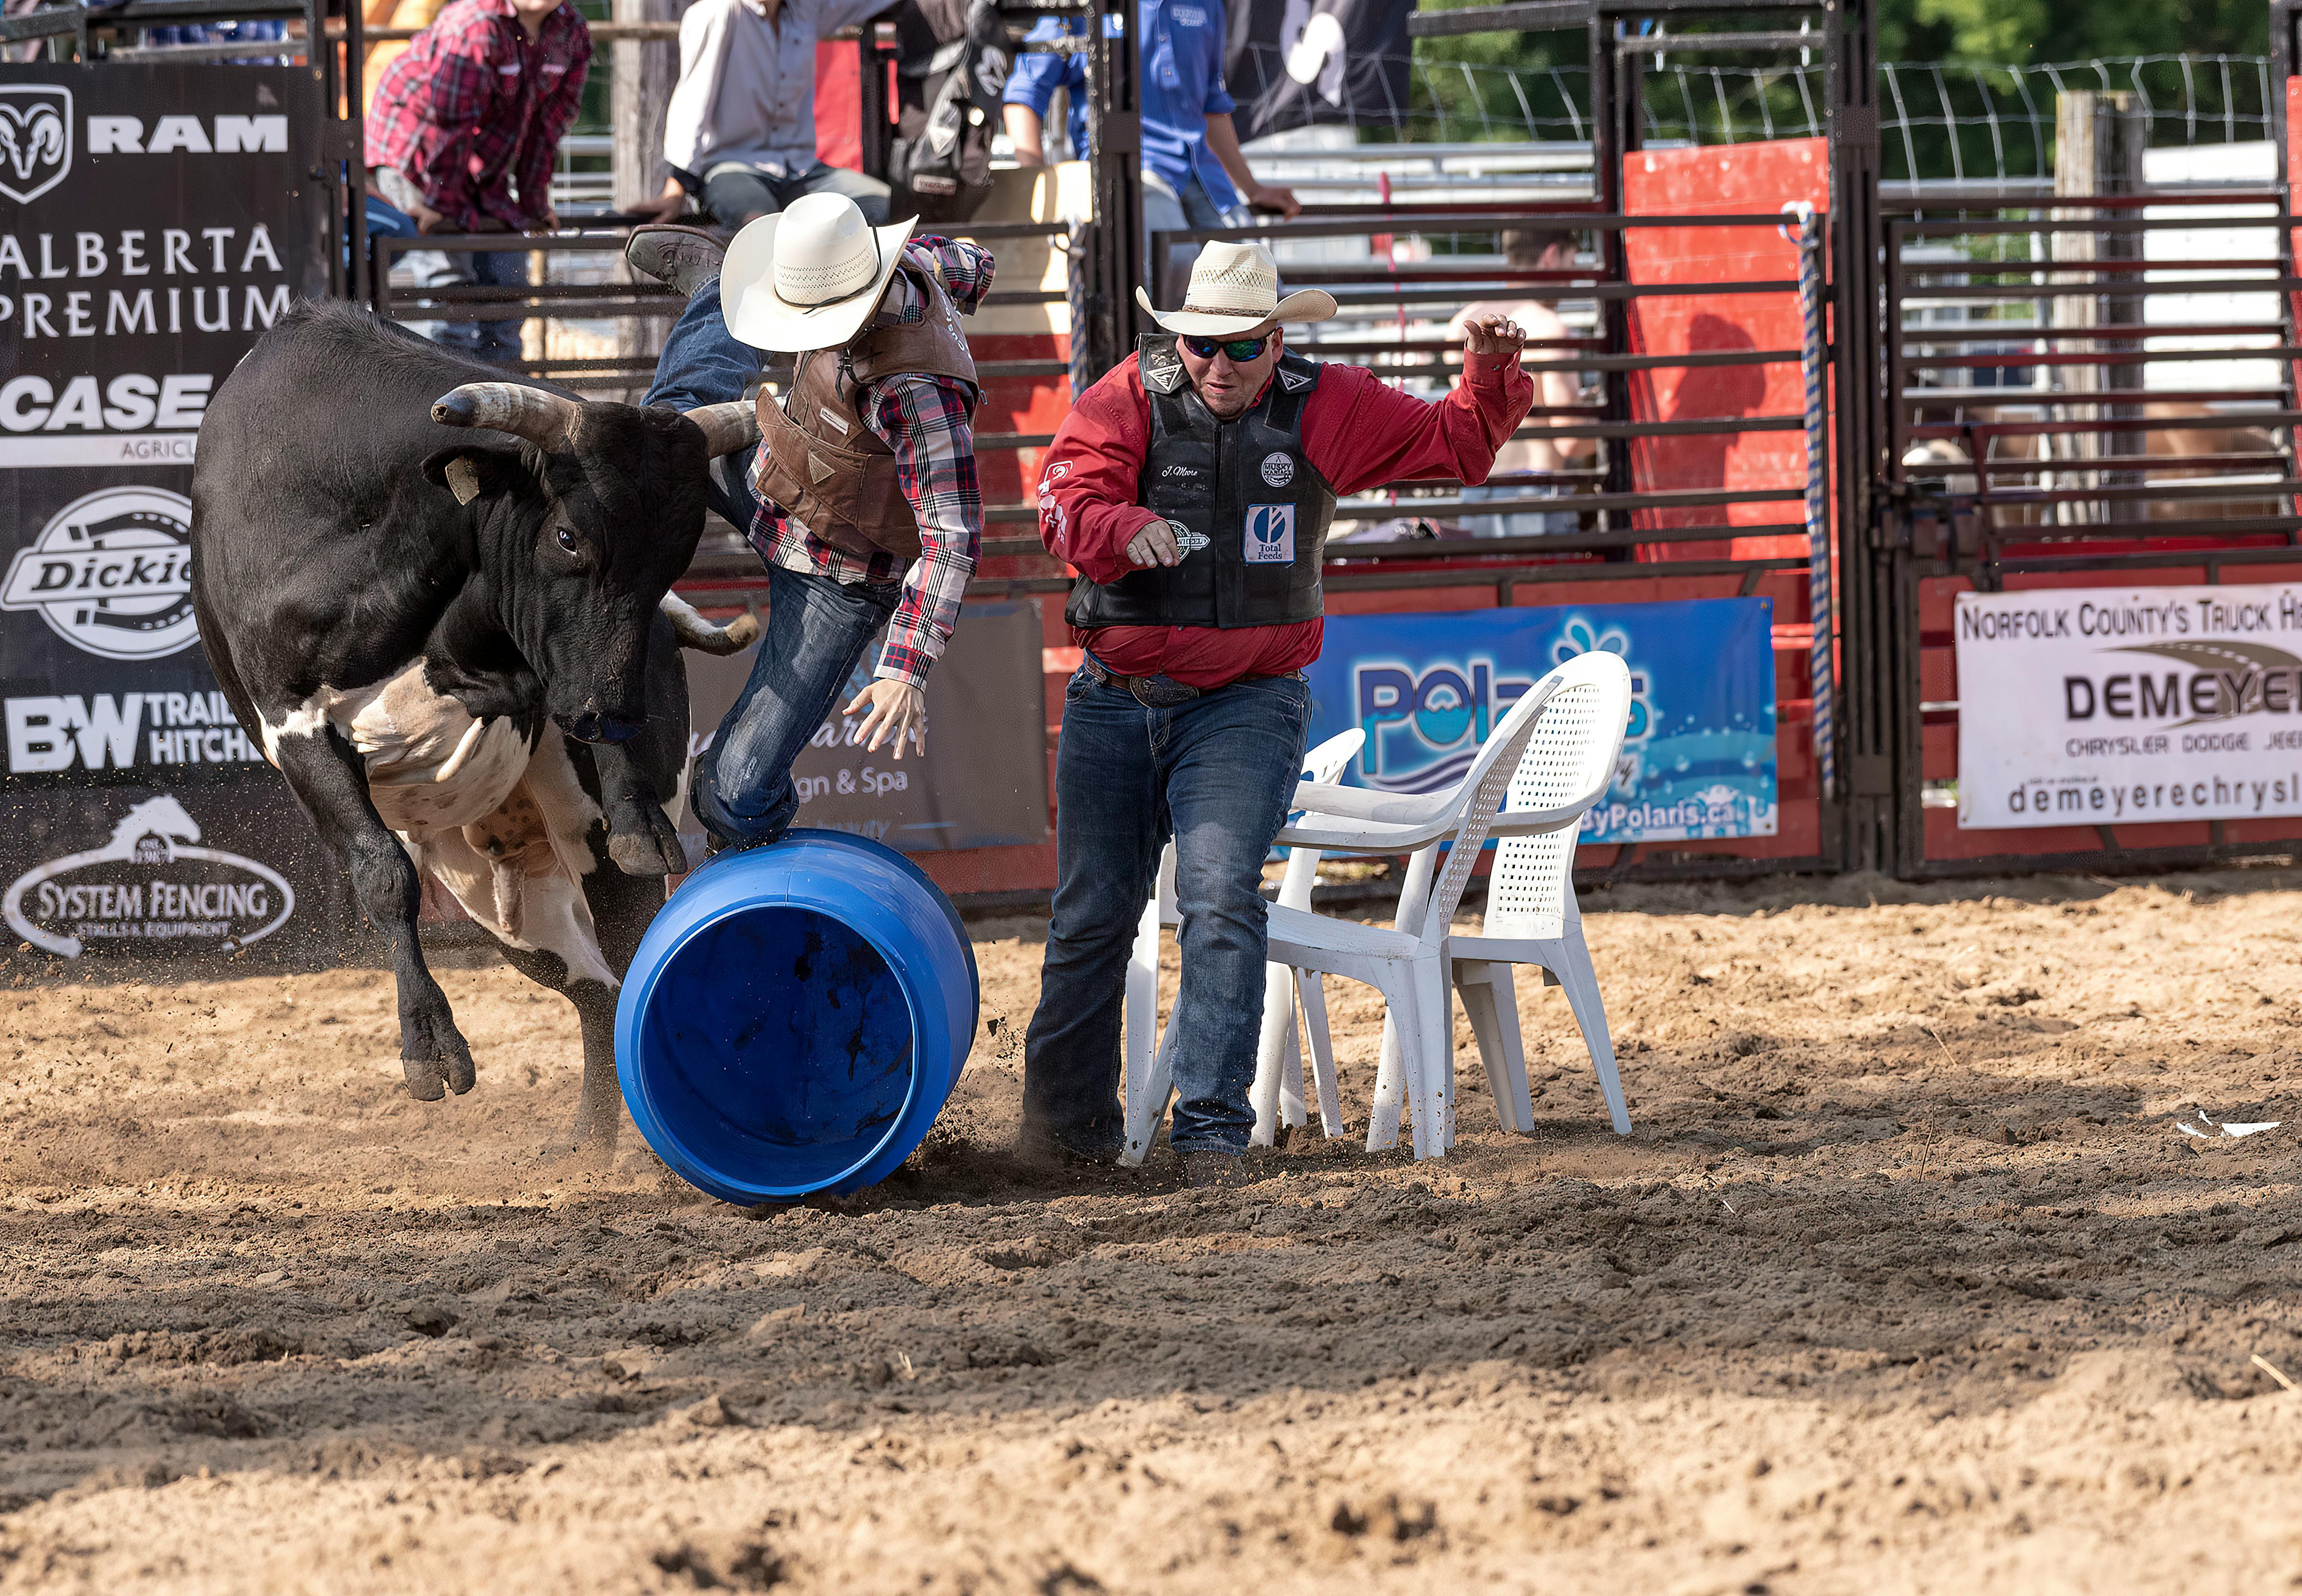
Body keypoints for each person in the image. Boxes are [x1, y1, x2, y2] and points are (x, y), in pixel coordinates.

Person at [1020, 240, 1534, 1185]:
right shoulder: (1127, 396)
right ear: (1180, 337)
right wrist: (1125, 528)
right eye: (1202, 344)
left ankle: (1212, 1137)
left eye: (1242, 348)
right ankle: (1062, 1140)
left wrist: (1491, 375)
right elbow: (1060, 505)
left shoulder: (1326, 403)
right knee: (1092, 916)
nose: (1219, 365)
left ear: (1276, 340)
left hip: (1248, 702)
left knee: (1219, 899)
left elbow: (1457, 447)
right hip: (1115, 696)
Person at [622, 208, 991, 845]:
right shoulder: (912, 262)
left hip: (840, 576)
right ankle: (721, 287)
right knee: (658, 443)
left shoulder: (916, 393)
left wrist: (904, 668)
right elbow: (975, 263)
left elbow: (952, 537)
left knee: (736, 793)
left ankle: (747, 870)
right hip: (781, 477)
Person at [1001, 0, 1301, 298]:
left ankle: (1248, 345)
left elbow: (1213, 107)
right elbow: (1025, 92)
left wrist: (1253, 188)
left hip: (1203, 174)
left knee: (1261, 280)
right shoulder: (1087, 7)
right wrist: (1035, 182)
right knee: (1179, 264)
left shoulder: (1209, 5)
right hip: (1130, 172)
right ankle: (1176, 346)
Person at [364, 0, 590, 364]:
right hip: (415, 152)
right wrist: (439, 204)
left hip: (478, 164)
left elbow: (549, 122)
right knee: (450, 285)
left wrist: (534, 202)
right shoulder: (474, 24)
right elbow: (448, 121)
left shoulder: (571, 30)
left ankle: (507, 403)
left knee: (507, 285)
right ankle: (442, 407)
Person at [634, 0, 900, 232]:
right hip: (733, 167)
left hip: (803, 170)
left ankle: (863, 287)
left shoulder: (804, 10)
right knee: (760, 225)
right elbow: (692, 103)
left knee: (889, 205)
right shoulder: (718, 12)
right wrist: (676, 188)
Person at [1446, 228, 1597, 537]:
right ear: (1552, 257)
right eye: (1571, 264)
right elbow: (1572, 440)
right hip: (1536, 499)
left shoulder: (1463, 324)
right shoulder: (1549, 328)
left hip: (1476, 494)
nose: (1572, 278)